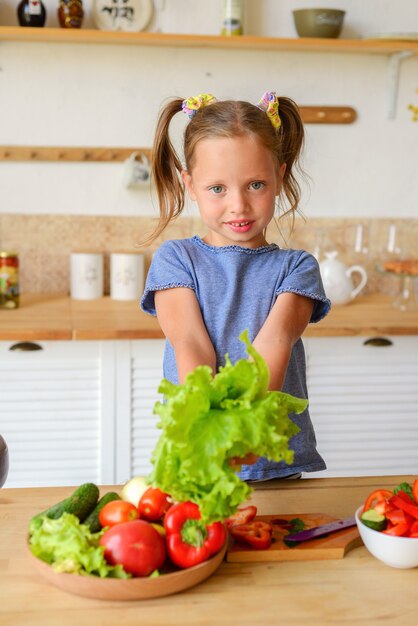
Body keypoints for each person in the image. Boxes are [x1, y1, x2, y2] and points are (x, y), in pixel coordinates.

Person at [141, 91, 331, 481]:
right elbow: (190, 344)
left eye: (256, 185)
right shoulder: (176, 260)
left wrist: (241, 437)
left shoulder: (297, 268)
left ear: (279, 177)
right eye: (217, 189)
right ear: (190, 185)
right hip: (199, 460)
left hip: (272, 465)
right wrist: (213, 438)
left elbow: (273, 345)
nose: (239, 206)